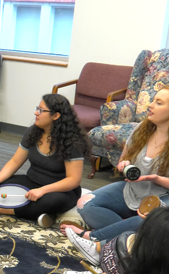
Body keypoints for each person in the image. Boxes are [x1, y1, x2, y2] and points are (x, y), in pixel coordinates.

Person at [61, 85, 169, 264]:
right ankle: (129, 234)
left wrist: (157, 178)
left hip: (162, 197)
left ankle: (94, 241)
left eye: (158, 103)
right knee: (84, 204)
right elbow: (124, 159)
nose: (150, 105)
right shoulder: (142, 129)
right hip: (132, 190)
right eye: (152, 100)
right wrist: (124, 164)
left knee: (155, 222)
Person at [0, 94, 88, 228]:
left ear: (56, 116)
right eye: (37, 108)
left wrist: (42, 190)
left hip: (61, 191)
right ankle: (47, 215)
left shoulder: (72, 142)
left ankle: (2, 209)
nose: (36, 112)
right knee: (2, 187)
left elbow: (73, 180)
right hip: (32, 181)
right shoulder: (33, 132)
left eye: (41, 110)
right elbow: (15, 162)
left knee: (49, 201)